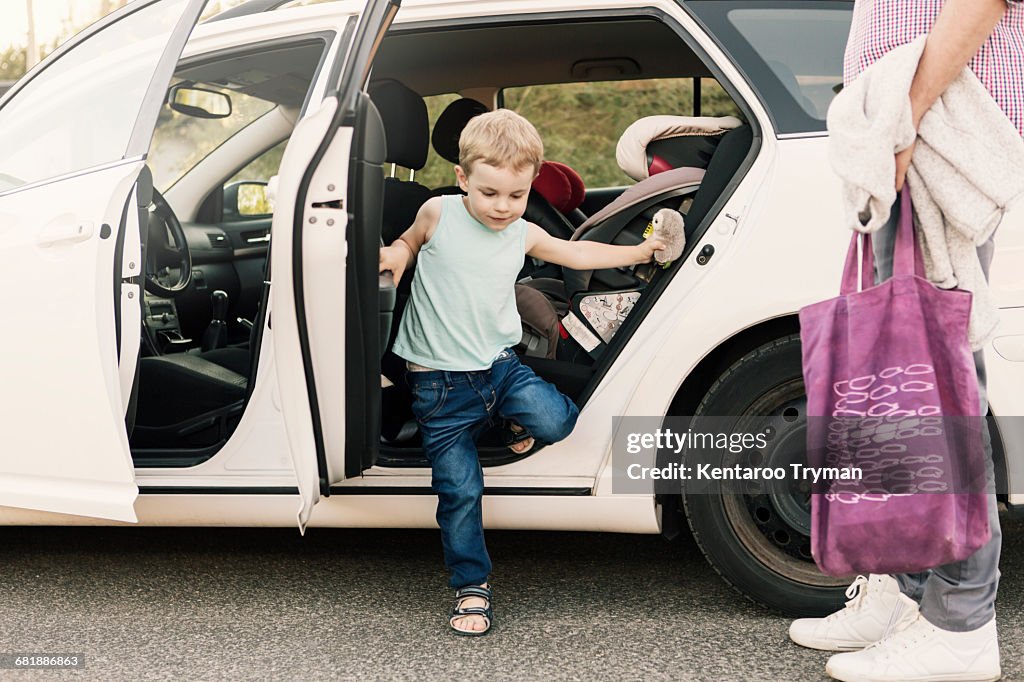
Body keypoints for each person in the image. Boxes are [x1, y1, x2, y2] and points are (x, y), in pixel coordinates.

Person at [789, 1, 1022, 680]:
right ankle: (906, 593)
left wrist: (902, 118)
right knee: (905, 380)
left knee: (933, 385)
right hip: (915, 121)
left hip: (939, 118)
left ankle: (960, 625)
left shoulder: (915, 118)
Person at [378, 109, 664, 635]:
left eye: (515, 195)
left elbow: (577, 252)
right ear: (464, 179)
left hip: (499, 368)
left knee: (557, 421)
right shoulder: (437, 212)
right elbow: (410, 243)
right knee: (460, 491)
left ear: (531, 184)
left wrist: (642, 250)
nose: (502, 207)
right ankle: (471, 585)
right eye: (489, 194)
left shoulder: (521, 231)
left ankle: (508, 421)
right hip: (437, 385)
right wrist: (396, 255)